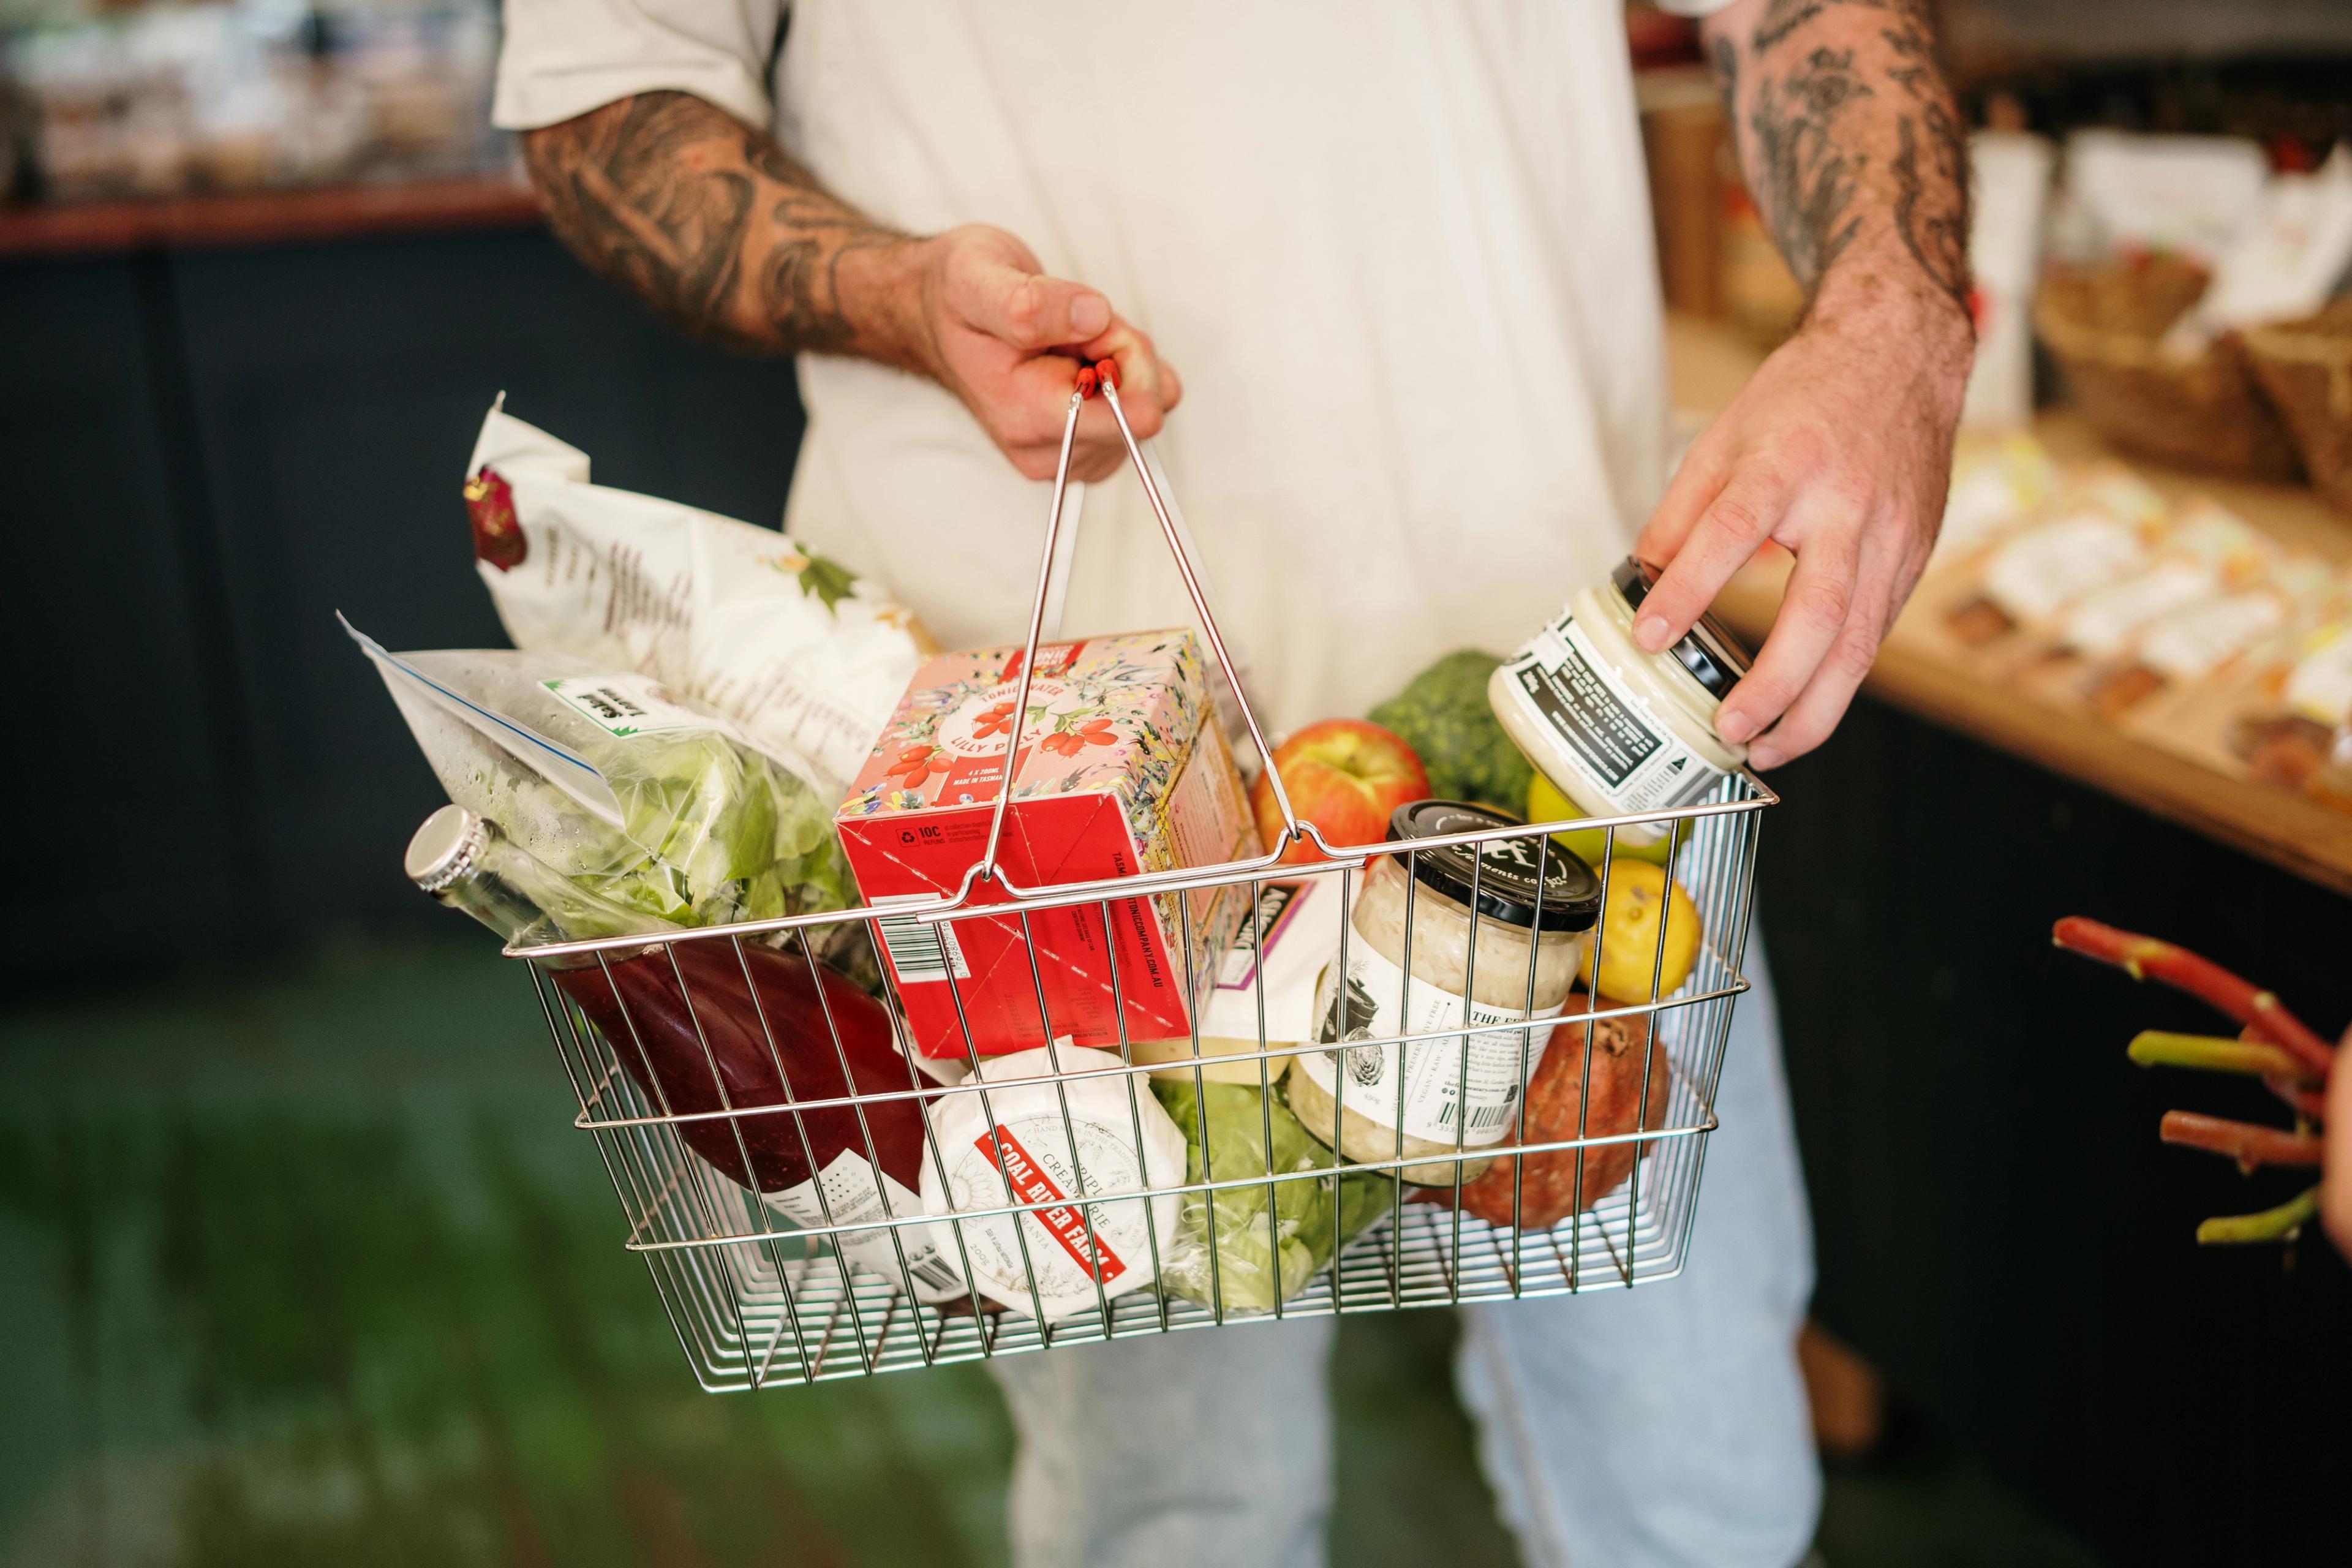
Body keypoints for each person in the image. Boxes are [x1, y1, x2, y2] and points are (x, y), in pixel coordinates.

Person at [494, 3, 1973, 1564]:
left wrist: (1893, 318)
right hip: (1047, 828)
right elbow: (605, 102)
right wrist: (898, 293)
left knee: (1704, 1489)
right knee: (1173, 1520)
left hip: (1576, 756)